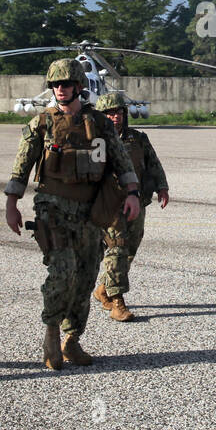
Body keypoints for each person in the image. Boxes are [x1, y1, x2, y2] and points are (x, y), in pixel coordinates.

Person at [3, 58, 139, 370]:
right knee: (61, 272)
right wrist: (12, 204)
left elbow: (121, 162)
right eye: (55, 85)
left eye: (65, 84)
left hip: (91, 212)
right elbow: (21, 167)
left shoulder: (101, 124)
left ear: (79, 86)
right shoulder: (42, 123)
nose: (60, 90)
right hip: (54, 210)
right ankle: (51, 331)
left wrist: (131, 194)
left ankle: (72, 339)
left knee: (86, 275)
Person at [91, 92, 169, 322]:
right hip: (110, 204)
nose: (115, 117)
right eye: (110, 113)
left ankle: (103, 288)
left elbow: (153, 163)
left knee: (130, 248)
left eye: (119, 112)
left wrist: (162, 187)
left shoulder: (138, 139)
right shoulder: (96, 141)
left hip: (136, 201)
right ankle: (118, 302)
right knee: (117, 248)